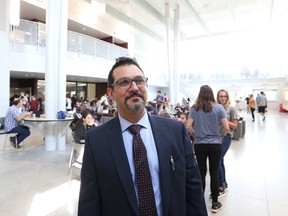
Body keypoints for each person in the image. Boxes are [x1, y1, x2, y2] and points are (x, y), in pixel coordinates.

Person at [78, 57, 208, 216]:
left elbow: (193, 190)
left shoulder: (175, 131)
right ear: (111, 93)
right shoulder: (96, 140)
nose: (134, 87)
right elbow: (89, 203)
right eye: (124, 82)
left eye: (139, 81)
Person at [187, 85, 229, 213]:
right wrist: (220, 137)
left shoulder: (194, 108)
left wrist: (196, 135)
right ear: (211, 94)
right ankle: (215, 203)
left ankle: (199, 202)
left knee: (201, 172)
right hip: (215, 144)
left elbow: (188, 126)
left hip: (200, 144)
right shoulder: (219, 107)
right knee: (214, 172)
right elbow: (226, 128)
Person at [216, 89, 238, 195]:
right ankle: (224, 182)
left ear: (227, 97)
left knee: (218, 160)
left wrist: (224, 119)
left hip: (226, 137)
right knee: (220, 161)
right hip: (216, 137)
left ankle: (220, 187)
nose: (223, 98)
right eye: (220, 96)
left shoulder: (231, 109)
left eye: (224, 96)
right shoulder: (215, 108)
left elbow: (234, 126)